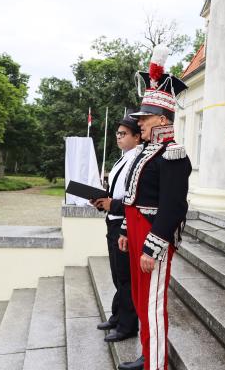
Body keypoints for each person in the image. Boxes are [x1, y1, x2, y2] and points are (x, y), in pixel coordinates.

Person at [116, 45, 192, 370]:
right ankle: (148, 355)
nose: (140, 124)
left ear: (162, 119)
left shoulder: (173, 153)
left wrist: (152, 247)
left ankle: (156, 366)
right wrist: (123, 228)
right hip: (135, 230)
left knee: (152, 305)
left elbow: (173, 207)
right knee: (139, 297)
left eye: (144, 119)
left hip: (152, 236)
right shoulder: (148, 151)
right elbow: (134, 193)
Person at [91, 116, 141, 343]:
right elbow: (117, 192)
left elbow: (136, 199)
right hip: (113, 220)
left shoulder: (137, 161)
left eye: (123, 134)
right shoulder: (123, 159)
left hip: (125, 223)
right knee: (116, 274)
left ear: (136, 136)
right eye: (118, 134)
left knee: (125, 277)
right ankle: (117, 315)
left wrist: (114, 204)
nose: (118, 137)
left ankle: (127, 326)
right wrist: (103, 201)